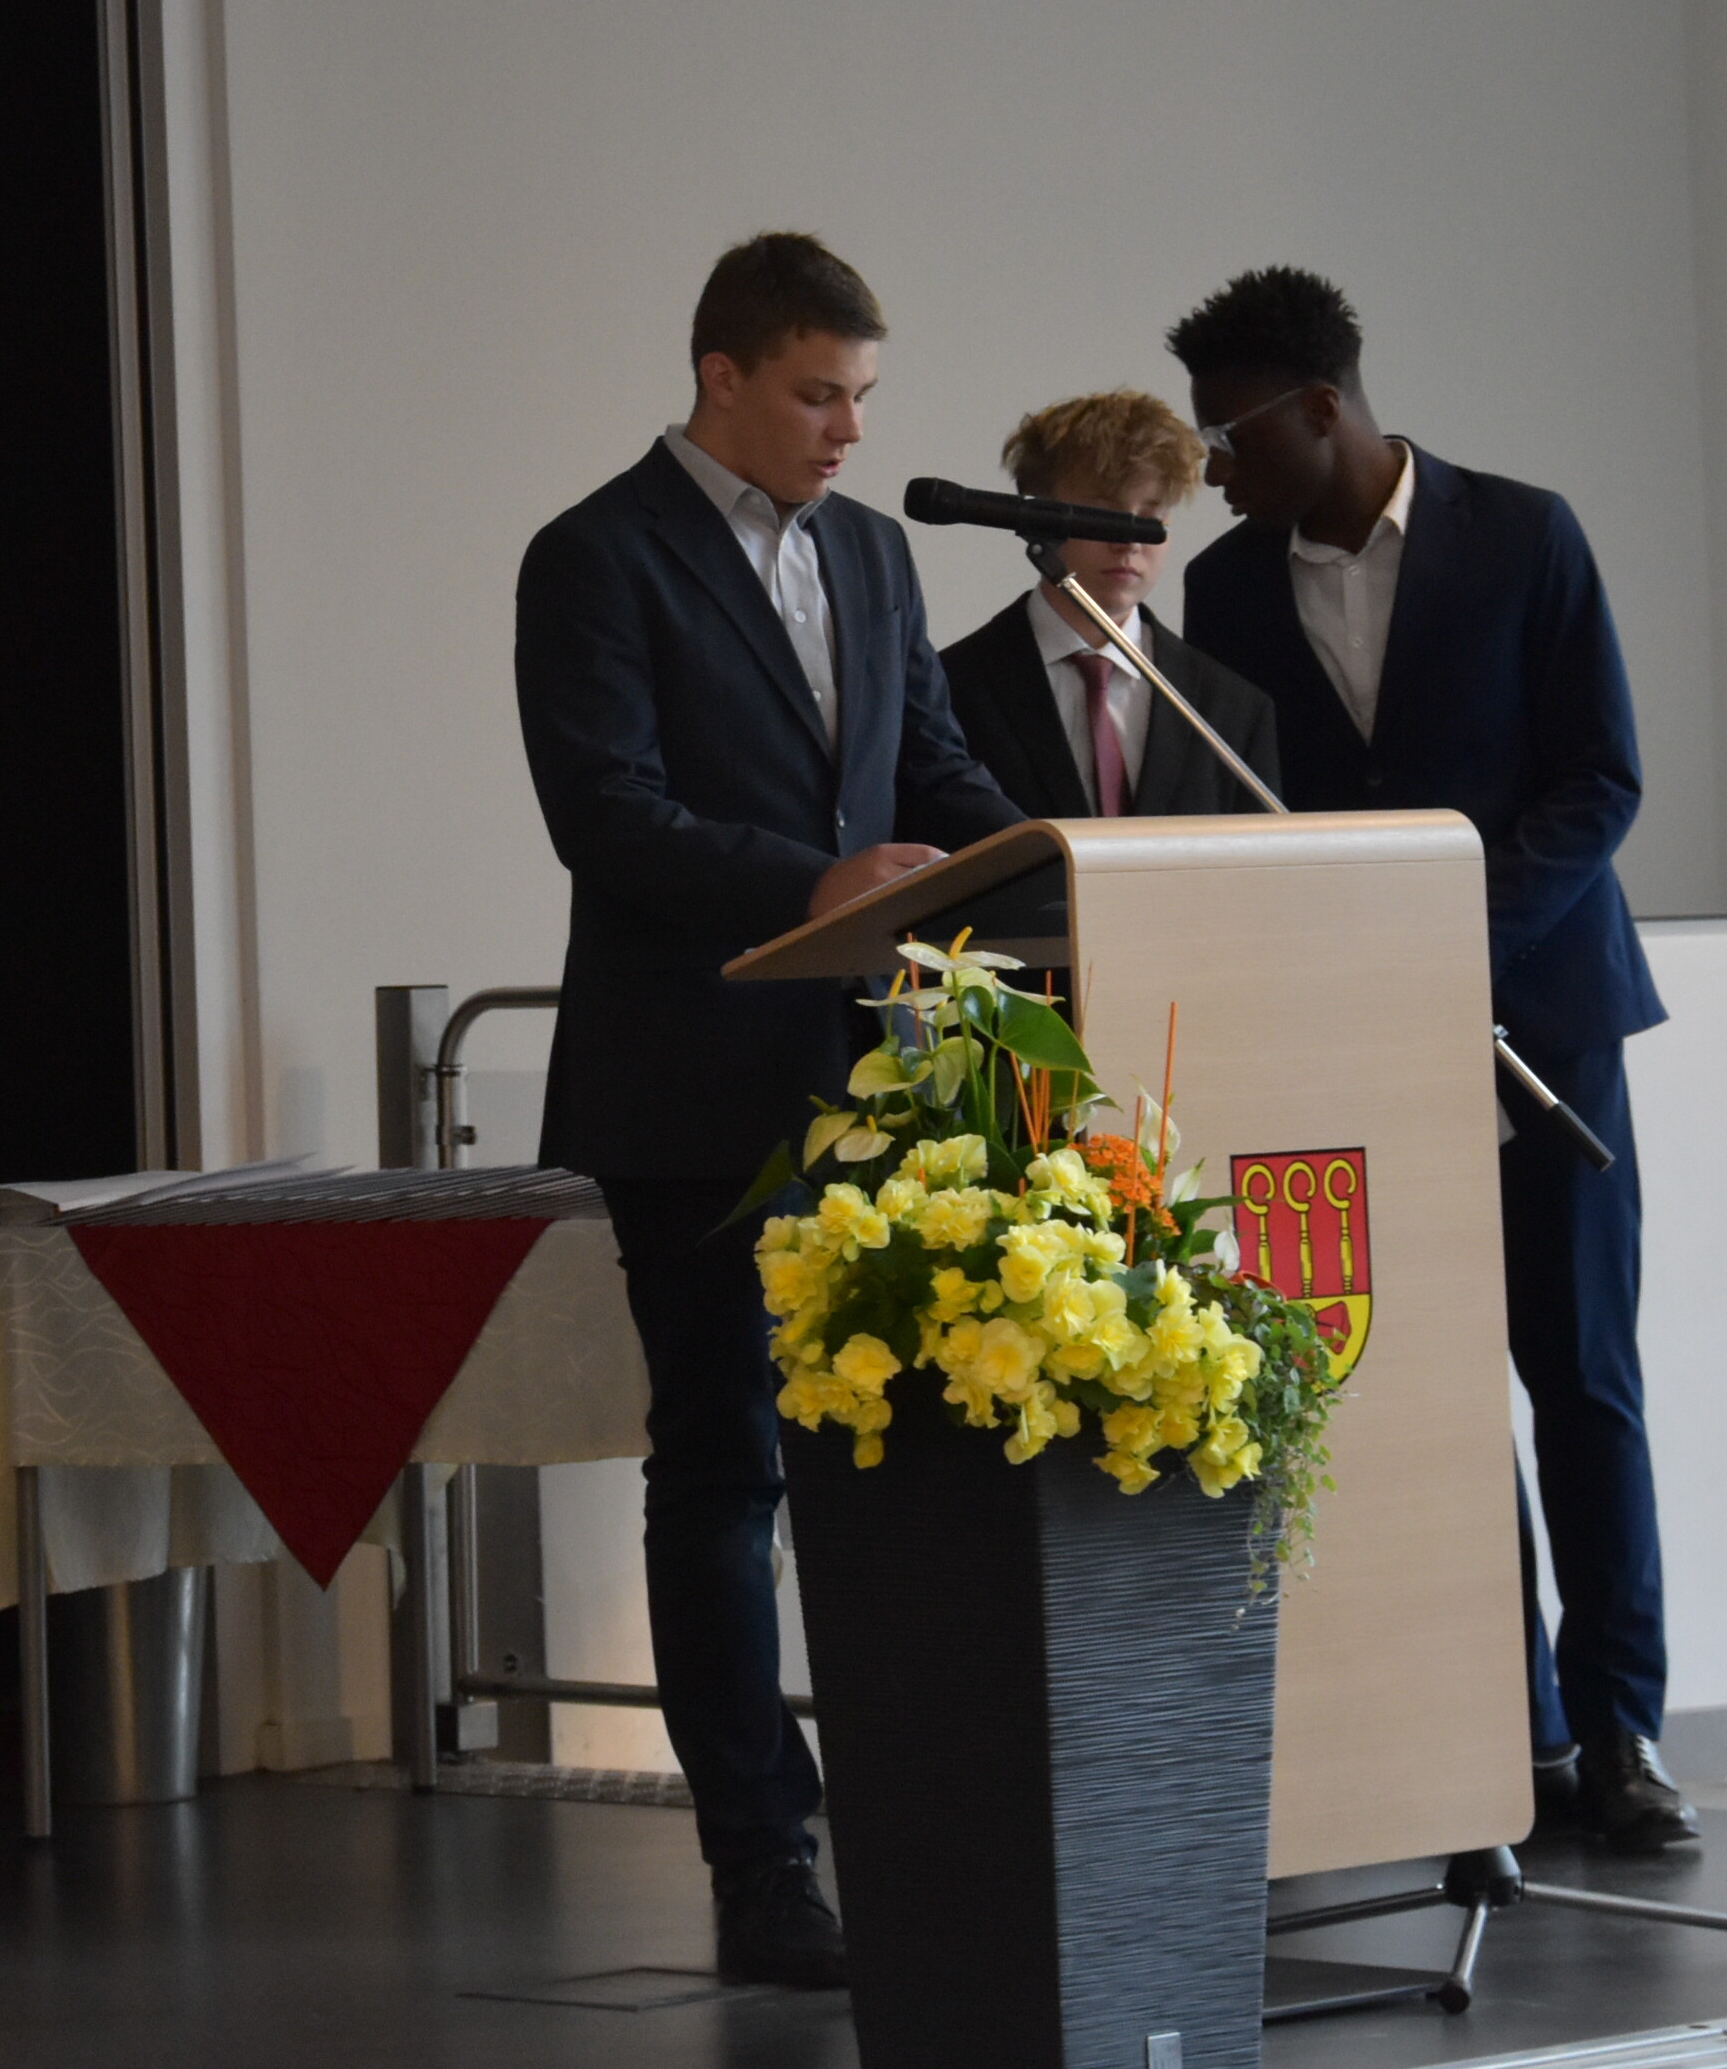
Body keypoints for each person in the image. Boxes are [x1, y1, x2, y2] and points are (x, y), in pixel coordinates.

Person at [516, 233, 1021, 1988]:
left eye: (861, 397)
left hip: (887, 1079)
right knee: (727, 1465)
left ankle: (917, 1831)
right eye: (818, 395)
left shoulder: (873, 554)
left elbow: (932, 769)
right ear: (719, 377)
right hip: (695, 1082)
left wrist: (1056, 864)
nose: (849, 432)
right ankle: (761, 1865)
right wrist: (808, 882)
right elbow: (607, 812)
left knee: (903, 1471)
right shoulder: (596, 555)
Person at [1164, 265, 1696, 1855]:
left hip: (1548, 1024)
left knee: (1582, 1381)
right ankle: (1510, 1735)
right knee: (1431, 1400)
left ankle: (1623, 1727)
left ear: (1323, 407)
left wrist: (1452, 928)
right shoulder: (1226, 590)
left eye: (1231, 436)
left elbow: (1601, 782)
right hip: (1361, 1050)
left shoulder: (1526, 534)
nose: (1213, 470)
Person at [936, 389, 1282, 821]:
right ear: (1036, 516)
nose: (1129, 542)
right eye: (1101, 514)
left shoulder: (1230, 707)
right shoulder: (949, 689)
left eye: (1151, 517)